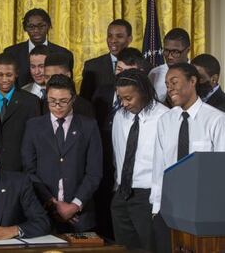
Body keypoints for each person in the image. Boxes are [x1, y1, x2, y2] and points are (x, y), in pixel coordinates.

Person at [150, 63, 225, 253]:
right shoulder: (165, 121)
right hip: (170, 209)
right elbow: (160, 168)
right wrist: (156, 209)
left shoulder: (216, 120)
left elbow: (220, 171)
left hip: (204, 211)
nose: (170, 88)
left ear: (192, 81)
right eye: (167, 84)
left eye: (174, 82)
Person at [22, 74, 103, 233]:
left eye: (63, 101)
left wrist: (74, 205)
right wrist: (52, 203)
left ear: (73, 99)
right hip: (43, 214)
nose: (57, 106)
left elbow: (94, 173)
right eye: (52, 101)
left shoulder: (89, 127)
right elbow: (28, 170)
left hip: (80, 216)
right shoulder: (34, 126)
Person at [78, 19, 133, 239]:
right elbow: (84, 106)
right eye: (110, 35)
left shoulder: (138, 62)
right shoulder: (93, 66)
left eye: (119, 36)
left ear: (129, 38)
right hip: (100, 145)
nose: (113, 40)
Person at [111, 69, 168, 251]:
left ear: (143, 92)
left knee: (150, 248)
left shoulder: (165, 117)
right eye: (120, 98)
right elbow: (117, 154)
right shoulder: (120, 116)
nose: (124, 103)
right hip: (122, 194)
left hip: (148, 197)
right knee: (124, 248)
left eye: (129, 98)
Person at [0, 53, 41, 172]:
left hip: (21, 170)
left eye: (9, 75)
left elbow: (36, 139)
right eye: (0, 75)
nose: (4, 79)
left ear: (16, 73)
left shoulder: (31, 102)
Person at [4, 8, 73, 88]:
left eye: (41, 26)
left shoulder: (64, 54)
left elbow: (68, 87)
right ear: (25, 28)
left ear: (49, 26)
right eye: (31, 26)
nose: (36, 30)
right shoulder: (11, 53)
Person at [43, 53, 95, 118]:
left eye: (56, 76)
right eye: (47, 77)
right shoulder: (41, 104)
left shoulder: (85, 107)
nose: (50, 81)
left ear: (68, 75)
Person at [148, 28, 190, 102]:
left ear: (187, 50)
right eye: (166, 51)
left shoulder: (196, 73)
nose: (170, 57)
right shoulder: (154, 74)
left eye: (176, 52)